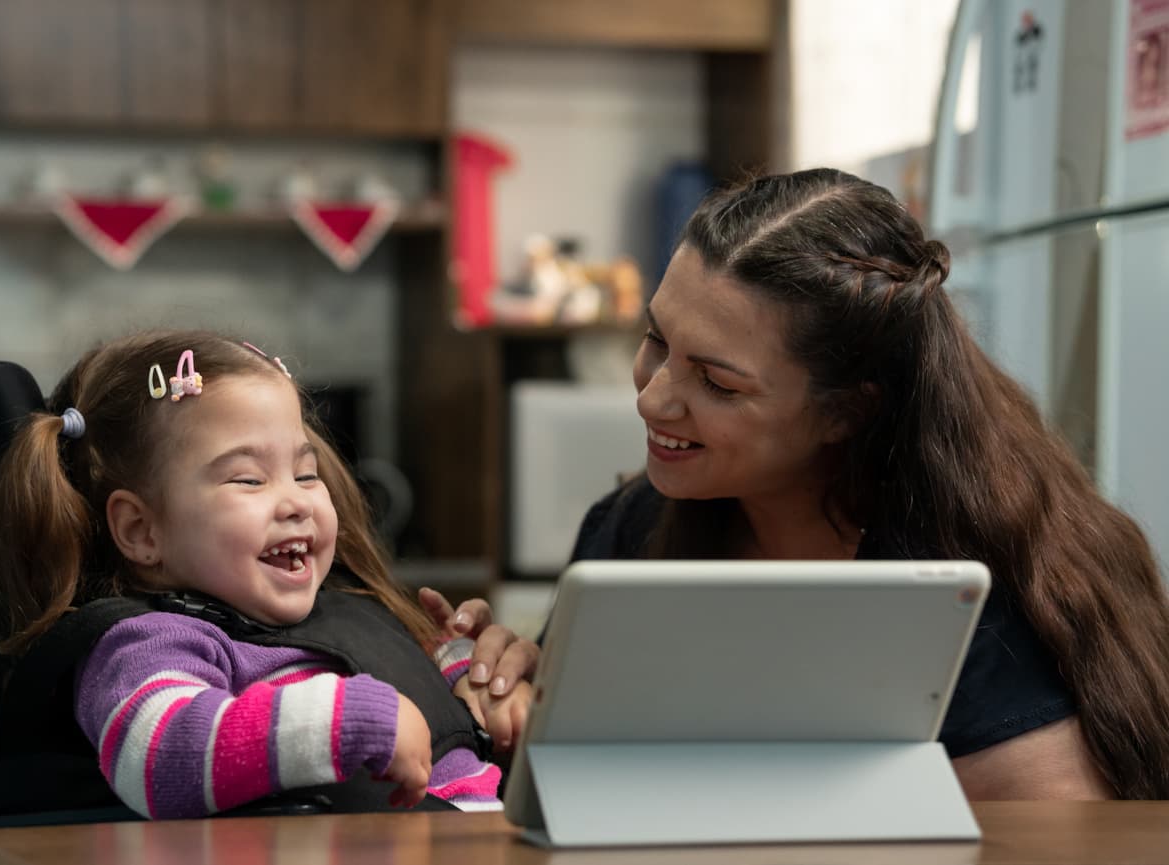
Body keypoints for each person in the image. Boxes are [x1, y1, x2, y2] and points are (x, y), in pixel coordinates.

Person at [433, 168, 1169, 800]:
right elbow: (565, 788)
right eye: (657, 339)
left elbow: (1061, 836)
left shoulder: (981, 578)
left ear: (847, 410)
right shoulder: (634, 526)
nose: (652, 398)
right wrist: (514, 697)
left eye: (717, 381)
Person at [0, 329, 502, 819]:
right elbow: (161, 753)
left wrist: (479, 681)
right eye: (249, 479)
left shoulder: (348, 606)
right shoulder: (151, 644)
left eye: (305, 473)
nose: (296, 501)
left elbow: (431, 680)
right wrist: (347, 720)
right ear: (142, 531)